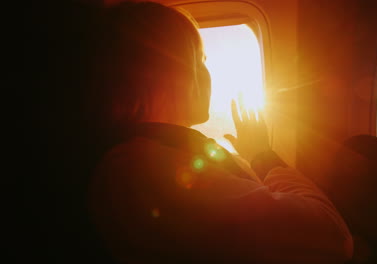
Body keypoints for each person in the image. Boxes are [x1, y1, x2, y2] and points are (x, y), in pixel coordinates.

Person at [88, 2, 353, 263]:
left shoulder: (152, 156)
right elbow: (333, 237)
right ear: (158, 72)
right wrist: (264, 158)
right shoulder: (145, 171)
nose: (207, 74)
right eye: (199, 61)